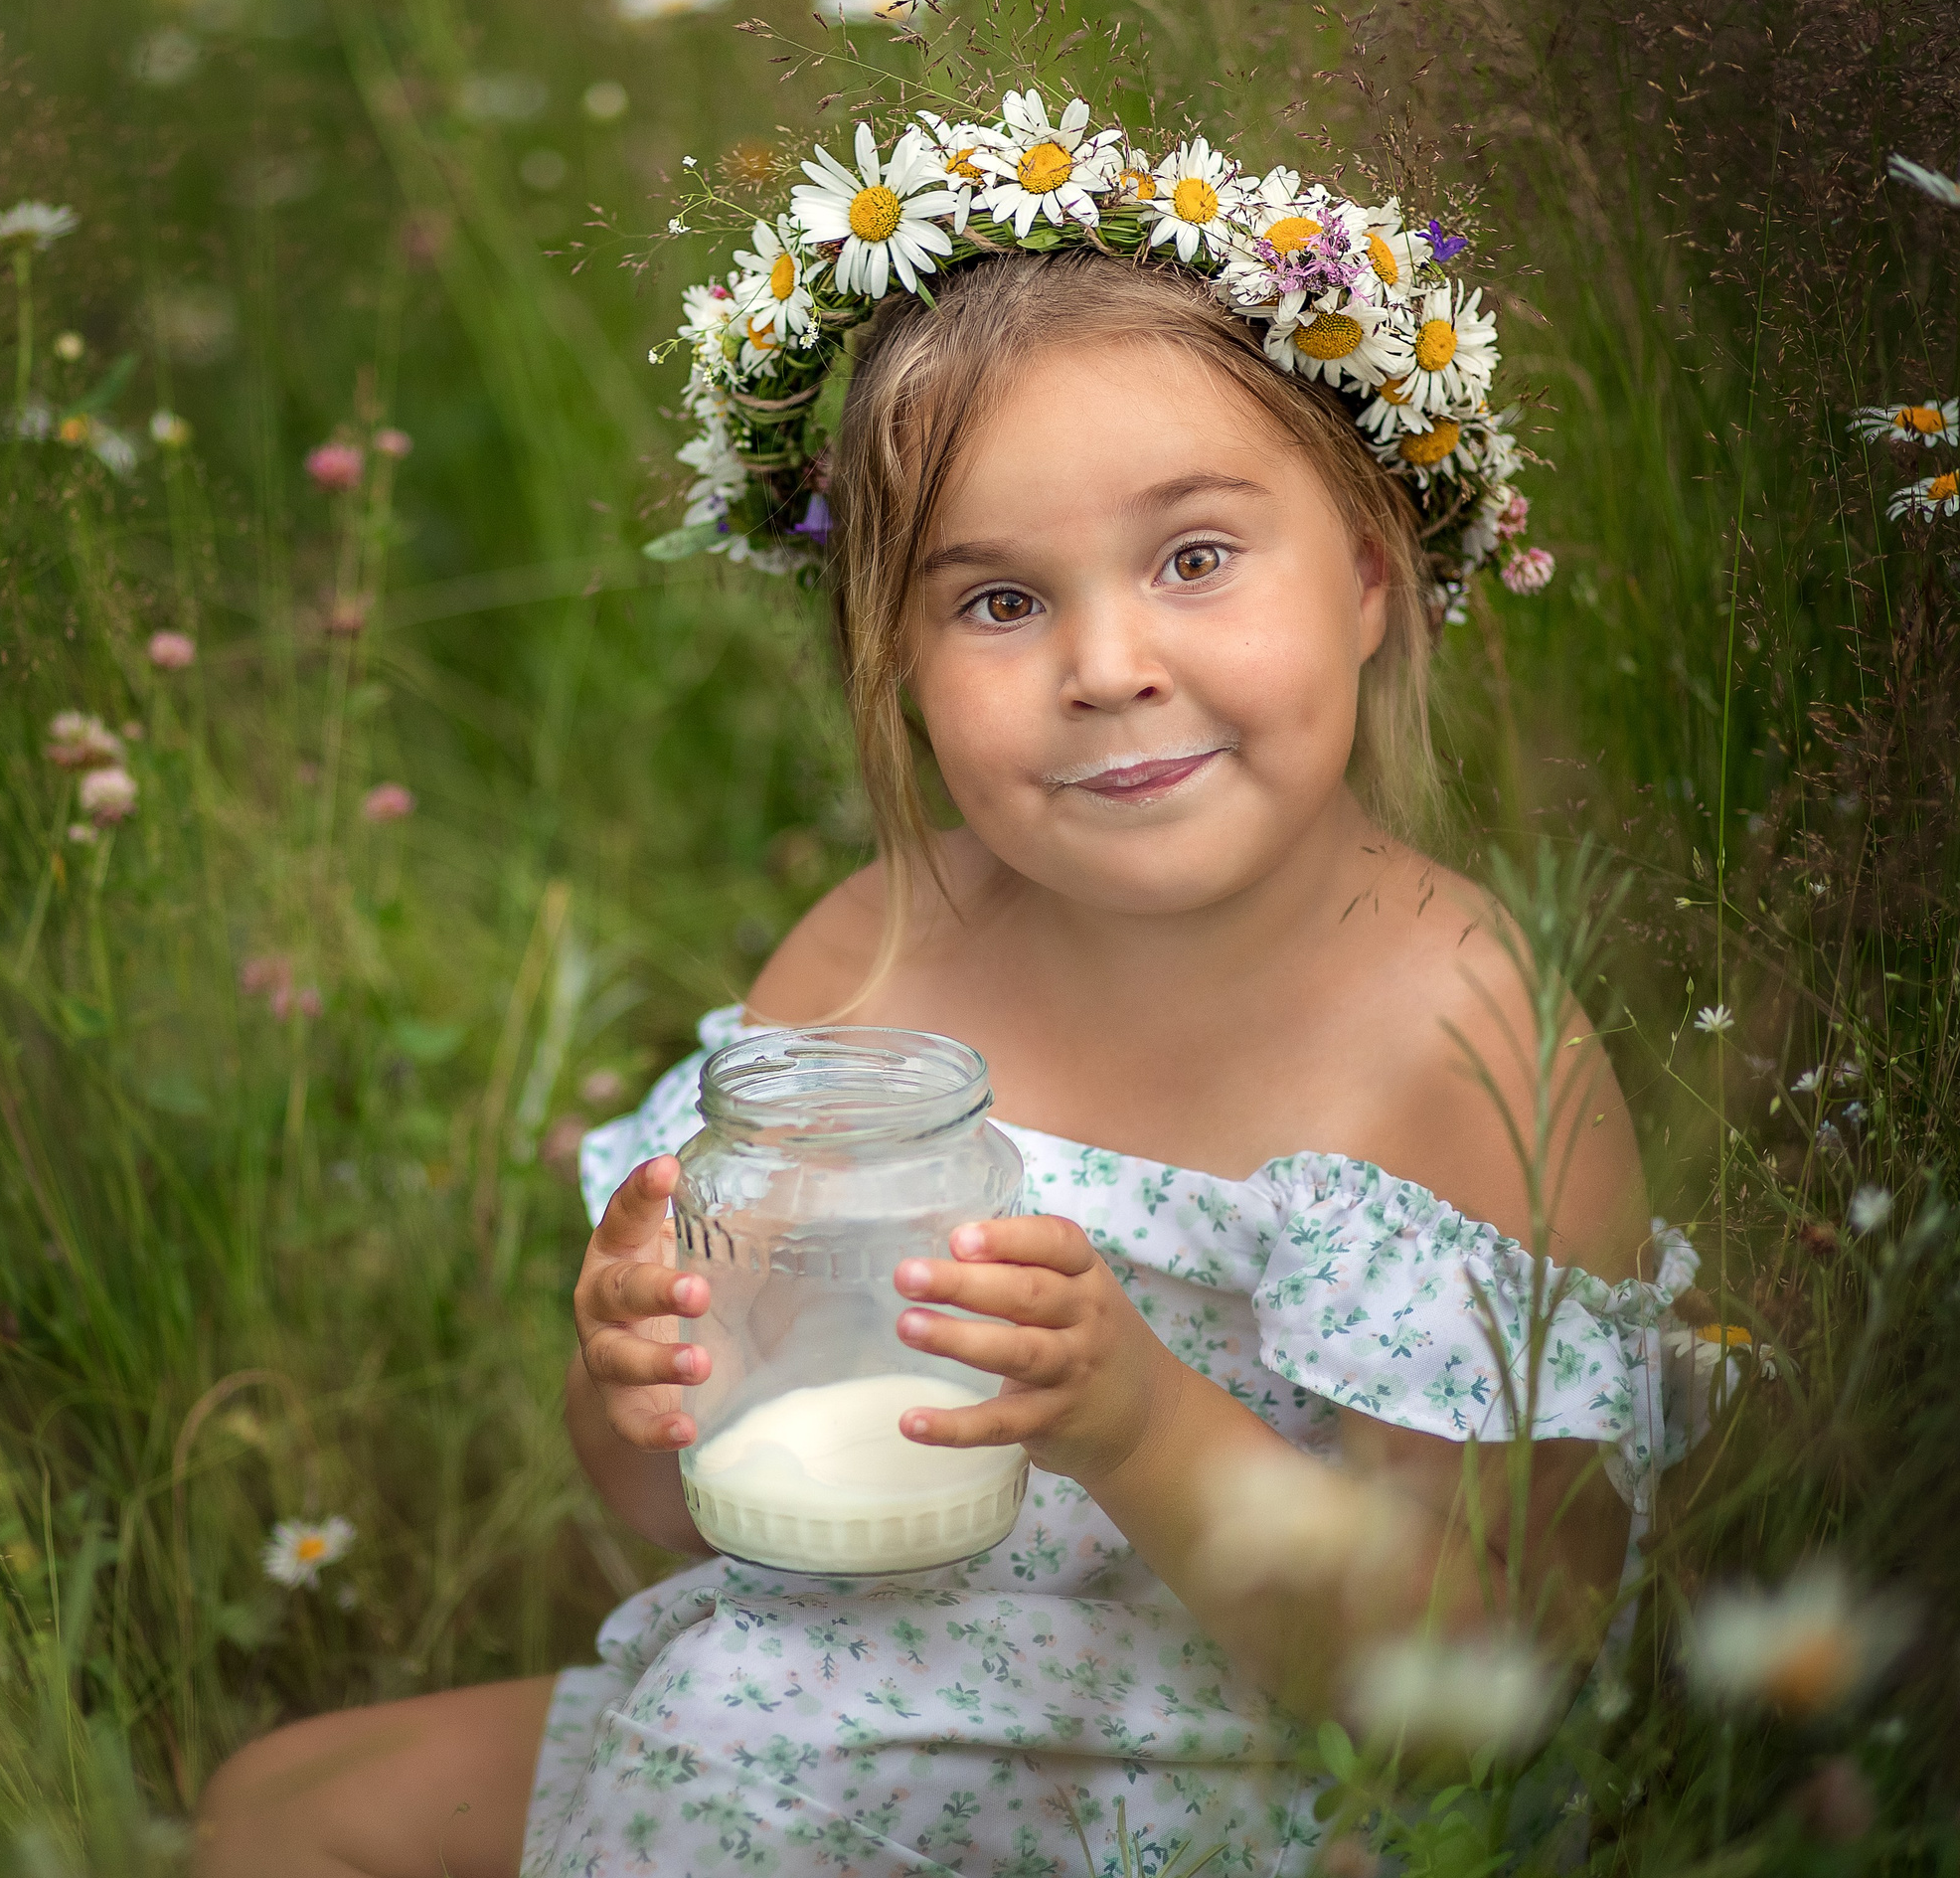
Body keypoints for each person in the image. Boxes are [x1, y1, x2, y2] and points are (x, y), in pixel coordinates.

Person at [199, 104, 1696, 1878]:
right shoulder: (877, 956)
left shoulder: (1456, 1042)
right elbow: (686, 1521)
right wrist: (636, 1396)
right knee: (280, 1810)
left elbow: (1482, 1685)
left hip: (1228, 1776)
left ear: (1371, 571)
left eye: (1196, 558)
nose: (1109, 668)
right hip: (858, 1666)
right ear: (889, 656)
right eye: (996, 601)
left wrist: (1139, 1421)